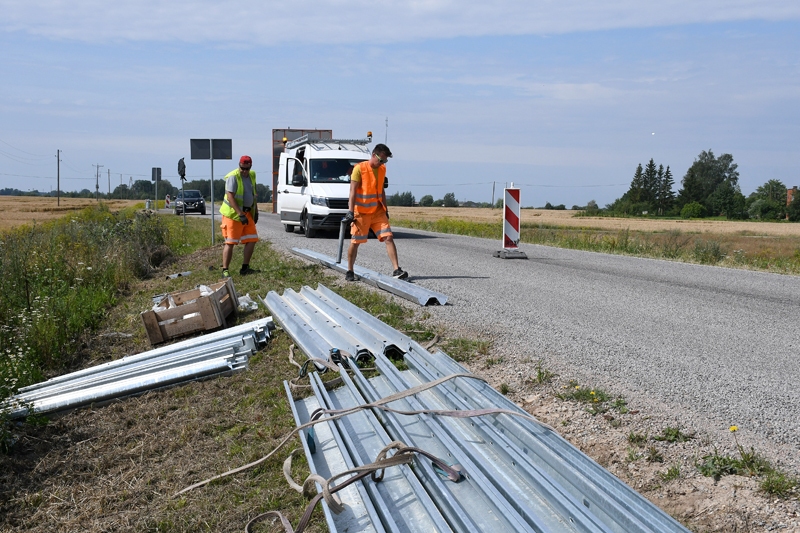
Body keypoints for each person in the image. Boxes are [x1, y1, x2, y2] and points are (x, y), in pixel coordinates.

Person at [343, 144, 408, 282]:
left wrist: (386, 209)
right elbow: (352, 192)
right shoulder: (359, 169)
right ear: (374, 155)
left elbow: (381, 190)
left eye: (385, 161)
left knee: (388, 237)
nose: (382, 163)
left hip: (378, 211)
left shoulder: (382, 169)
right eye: (381, 160)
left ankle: (396, 269)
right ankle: (350, 270)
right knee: (355, 242)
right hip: (361, 212)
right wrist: (350, 212)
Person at [219, 155, 260, 277]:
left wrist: (256, 211)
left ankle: (245, 268)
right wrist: (240, 214)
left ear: (250, 166)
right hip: (233, 215)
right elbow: (230, 197)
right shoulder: (233, 177)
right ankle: (225, 270)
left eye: (247, 169)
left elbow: (253, 195)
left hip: (247, 213)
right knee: (230, 242)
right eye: (242, 168)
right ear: (239, 166)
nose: (244, 171)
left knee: (252, 239)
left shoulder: (252, 175)